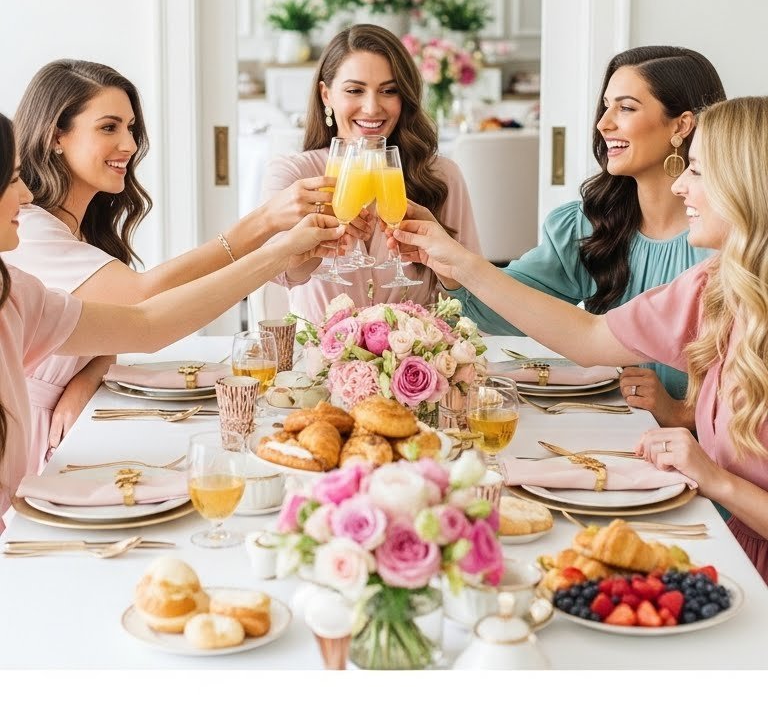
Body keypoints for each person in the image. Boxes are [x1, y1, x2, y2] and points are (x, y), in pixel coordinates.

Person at [395, 96, 768, 583]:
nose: (680, 186)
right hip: (725, 545)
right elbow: (588, 338)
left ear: (743, 183)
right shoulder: (716, 284)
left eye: (695, 170)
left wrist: (715, 478)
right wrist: (459, 263)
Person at [6, 57, 355, 470]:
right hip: (32, 435)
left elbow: (115, 324)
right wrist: (265, 225)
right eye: (108, 127)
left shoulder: (76, 231)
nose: (130, 144)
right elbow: (144, 305)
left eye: (130, 127)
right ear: (56, 137)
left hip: (66, 421)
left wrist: (90, 374)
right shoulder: (30, 231)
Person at [402, 45, 726, 411]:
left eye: (626, 107)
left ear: (682, 125)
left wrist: (681, 414)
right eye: (606, 106)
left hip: (713, 452)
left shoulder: (728, 238)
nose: (604, 123)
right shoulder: (592, 225)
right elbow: (504, 310)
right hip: (620, 430)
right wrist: (451, 266)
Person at [260, 23, 481, 319]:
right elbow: (278, 274)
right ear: (326, 95)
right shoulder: (292, 176)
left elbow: (473, 303)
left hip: (416, 359)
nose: (372, 107)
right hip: (317, 360)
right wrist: (314, 243)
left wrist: (447, 264)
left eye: (389, 91)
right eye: (355, 90)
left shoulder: (441, 177)